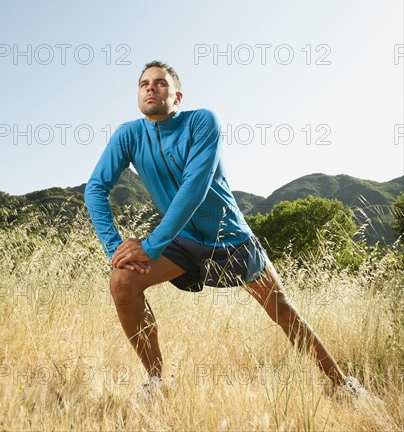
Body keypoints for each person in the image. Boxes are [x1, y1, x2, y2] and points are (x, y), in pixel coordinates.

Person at [84, 60, 366, 398]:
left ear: (177, 96)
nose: (150, 88)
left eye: (160, 83)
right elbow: (96, 188)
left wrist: (151, 246)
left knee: (283, 312)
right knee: (123, 282)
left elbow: (194, 188)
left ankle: (342, 385)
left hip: (230, 239)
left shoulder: (203, 121)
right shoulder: (128, 135)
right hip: (182, 241)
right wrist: (117, 251)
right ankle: (157, 382)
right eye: (144, 83)